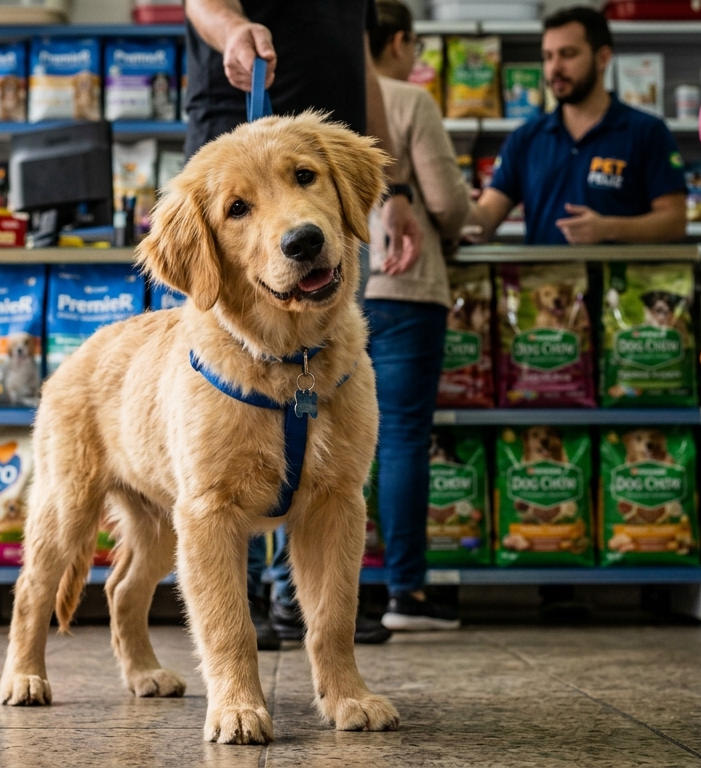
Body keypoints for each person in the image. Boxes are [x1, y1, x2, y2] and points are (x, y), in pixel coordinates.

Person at [183, 0, 421, 649]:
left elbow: (362, 72)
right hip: (233, 143)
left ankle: (300, 597)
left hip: (328, 169)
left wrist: (392, 191)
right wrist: (233, 31)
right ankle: (236, 603)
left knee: (328, 423)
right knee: (226, 445)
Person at [364, 0, 471, 631]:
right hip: (408, 292)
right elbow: (447, 204)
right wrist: (466, 220)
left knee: (320, 440)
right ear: (399, 40)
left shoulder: (328, 94)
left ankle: (313, 591)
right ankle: (406, 593)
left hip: (336, 292)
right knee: (402, 436)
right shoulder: (410, 101)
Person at [470, 6, 687, 245]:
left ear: (603, 57)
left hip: (623, 280)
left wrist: (607, 229)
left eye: (568, 54)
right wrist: (456, 208)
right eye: (548, 56)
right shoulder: (526, 137)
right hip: (546, 281)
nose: (555, 68)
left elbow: (675, 221)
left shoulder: (647, 131)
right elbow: (486, 219)